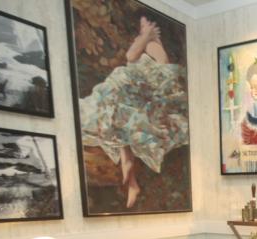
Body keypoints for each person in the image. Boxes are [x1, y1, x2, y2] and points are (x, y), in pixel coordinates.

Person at [79, 16, 189, 209]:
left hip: (135, 101)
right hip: (133, 102)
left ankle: (131, 182)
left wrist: (146, 35)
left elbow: (131, 57)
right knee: (120, 134)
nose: (142, 27)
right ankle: (132, 184)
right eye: (142, 26)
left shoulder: (153, 45)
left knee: (119, 131)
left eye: (146, 24)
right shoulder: (152, 46)